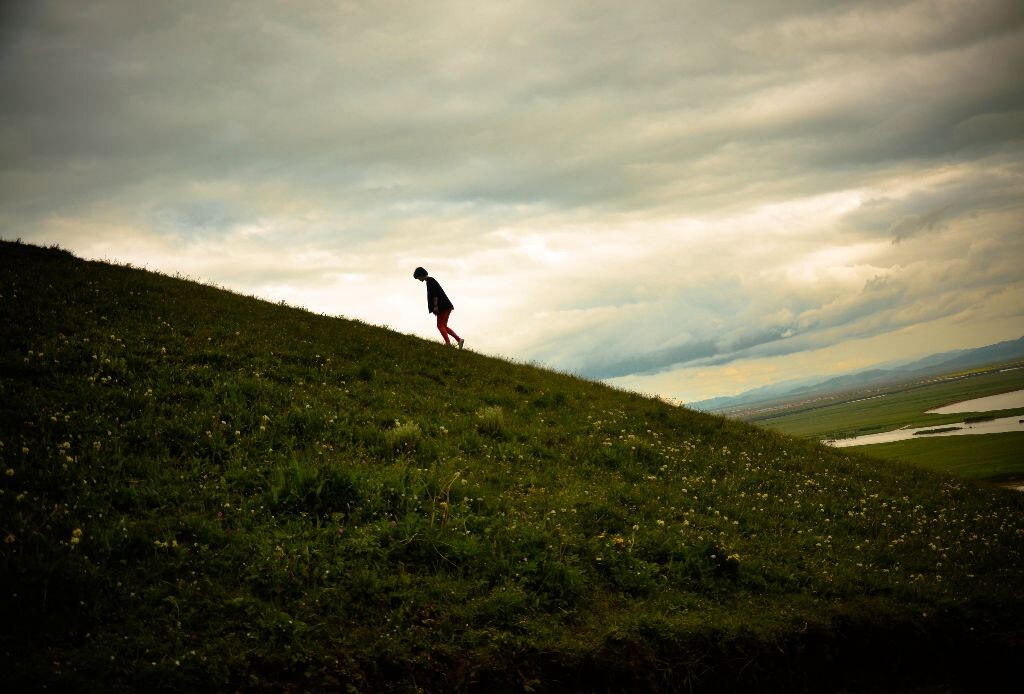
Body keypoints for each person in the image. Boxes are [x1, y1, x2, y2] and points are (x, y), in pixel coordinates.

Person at [413, 266, 464, 348]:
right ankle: (459, 340)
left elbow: (435, 295)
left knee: (440, 326)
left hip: (442, 306)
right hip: (446, 306)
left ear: (421, 275)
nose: (419, 280)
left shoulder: (430, 281)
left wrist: (436, 307)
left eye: (418, 277)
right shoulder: (430, 281)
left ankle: (448, 344)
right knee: (443, 326)